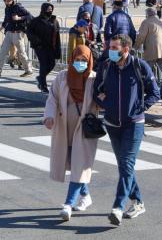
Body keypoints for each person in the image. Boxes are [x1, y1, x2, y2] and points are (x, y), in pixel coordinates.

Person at [93, 34, 160, 226]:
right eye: (110, 47)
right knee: (124, 166)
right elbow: (96, 90)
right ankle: (138, 201)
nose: (110, 51)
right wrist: (106, 103)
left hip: (134, 124)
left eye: (115, 47)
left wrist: (140, 107)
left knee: (127, 163)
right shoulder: (106, 66)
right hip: (113, 124)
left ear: (126, 49)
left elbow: (154, 92)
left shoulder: (139, 66)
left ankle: (118, 206)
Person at [43, 45, 98, 221]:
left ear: (89, 61)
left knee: (79, 164)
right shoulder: (63, 76)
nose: (80, 63)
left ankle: (68, 204)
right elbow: (52, 98)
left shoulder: (94, 79)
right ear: (71, 59)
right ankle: (86, 195)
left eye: (84, 60)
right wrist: (49, 117)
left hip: (84, 129)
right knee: (73, 164)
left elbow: (102, 100)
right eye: (77, 60)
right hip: (64, 127)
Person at [0, 0, 33, 78]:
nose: (7, 1)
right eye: (5, 0)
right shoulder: (7, 8)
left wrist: (19, 18)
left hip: (18, 33)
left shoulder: (18, 7)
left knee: (21, 53)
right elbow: (6, 21)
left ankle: (28, 70)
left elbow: (29, 16)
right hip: (9, 33)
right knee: (2, 52)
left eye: (8, 0)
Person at [27, 3, 61, 93]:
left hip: (51, 46)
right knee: (44, 64)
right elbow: (29, 31)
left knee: (52, 64)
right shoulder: (36, 21)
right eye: (48, 9)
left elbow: (57, 35)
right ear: (43, 9)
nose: (50, 11)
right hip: (40, 47)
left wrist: (58, 49)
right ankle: (43, 85)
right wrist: (36, 41)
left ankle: (40, 78)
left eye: (51, 9)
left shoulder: (54, 21)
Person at [134, 8, 162, 82]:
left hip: (152, 48)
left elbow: (141, 36)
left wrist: (136, 46)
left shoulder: (146, 22)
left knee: (147, 68)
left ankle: (147, 86)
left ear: (147, 14)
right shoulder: (160, 21)